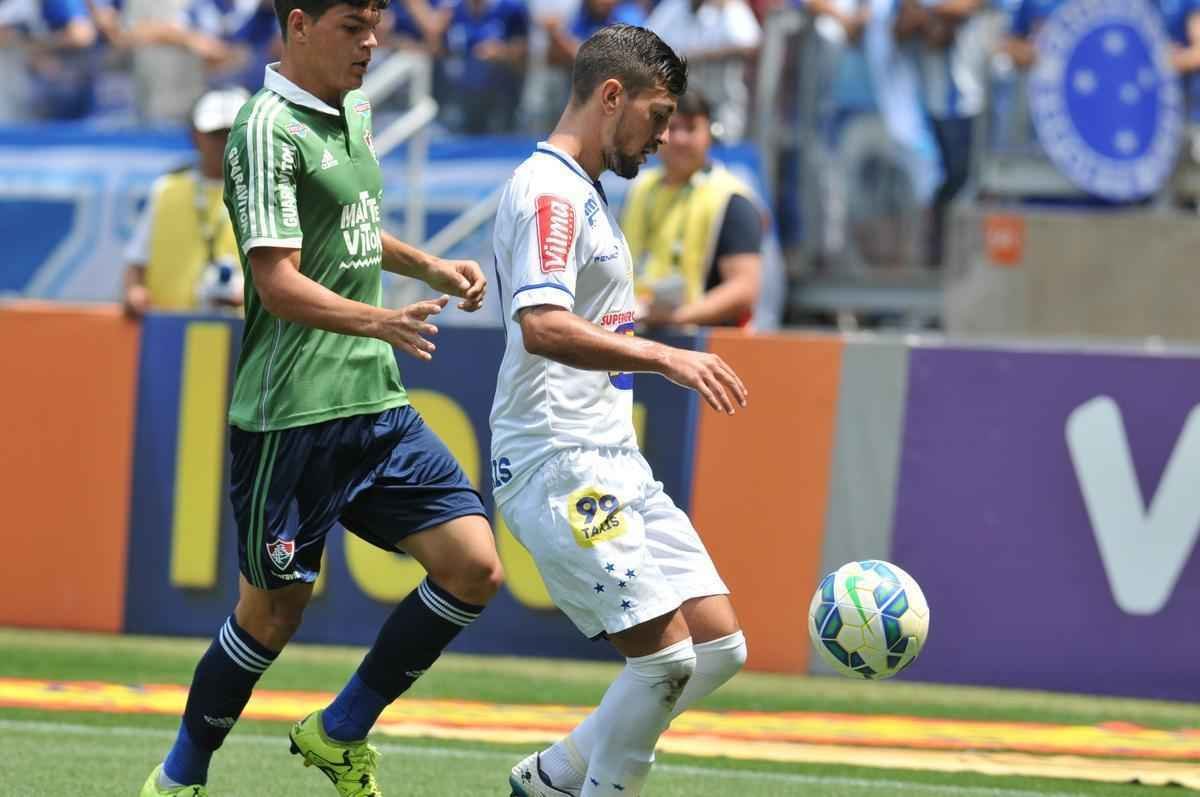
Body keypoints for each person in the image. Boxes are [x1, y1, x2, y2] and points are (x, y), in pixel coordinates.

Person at [138, 2, 504, 796]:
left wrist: (430, 266)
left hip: (374, 400)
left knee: (474, 567)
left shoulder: (357, 108)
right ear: (298, 25)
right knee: (273, 616)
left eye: (376, 23)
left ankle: (338, 730)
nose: (372, 41)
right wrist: (381, 317)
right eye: (352, 25)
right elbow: (276, 279)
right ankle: (178, 778)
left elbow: (355, 229)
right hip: (291, 414)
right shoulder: (264, 128)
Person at [489, 25, 749, 797]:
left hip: (609, 457)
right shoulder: (551, 193)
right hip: (555, 458)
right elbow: (542, 324)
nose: (663, 132)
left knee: (719, 645)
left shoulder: (588, 193)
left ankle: (559, 772)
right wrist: (666, 354)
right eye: (657, 111)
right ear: (611, 97)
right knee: (665, 658)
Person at [621, 90, 763, 328]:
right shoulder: (640, 188)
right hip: (639, 334)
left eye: (691, 128)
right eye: (672, 127)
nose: (680, 139)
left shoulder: (732, 198)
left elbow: (744, 289)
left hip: (702, 345)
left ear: (710, 133)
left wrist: (675, 318)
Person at [123, 87, 250, 317]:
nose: (224, 143)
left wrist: (252, 295)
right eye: (215, 134)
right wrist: (134, 292)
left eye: (231, 133)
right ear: (195, 136)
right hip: (172, 330)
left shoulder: (267, 192)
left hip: (241, 334)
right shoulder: (166, 189)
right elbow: (136, 263)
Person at [644, 0, 761, 141]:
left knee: (725, 145)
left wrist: (700, 56)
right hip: (681, 101)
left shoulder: (730, 6)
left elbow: (750, 47)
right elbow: (644, 43)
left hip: (722, 101)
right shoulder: (674, 6)